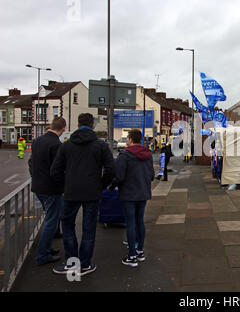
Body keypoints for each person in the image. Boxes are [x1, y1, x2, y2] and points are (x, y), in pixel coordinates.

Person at [50, 113, 115, 276]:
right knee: (88, 228)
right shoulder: (100, 146)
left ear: (78, 125)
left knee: (68, 226)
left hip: (71, 192)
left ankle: (72, 263)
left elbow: (55, 171)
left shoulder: (66, 145)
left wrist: (64, 186)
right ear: (92, 125)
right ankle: (85, 264)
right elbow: (111, 169)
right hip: (92, 192)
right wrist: (101, 184)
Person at [110, 129, 154, 267]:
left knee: (130, 223)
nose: (127, 140)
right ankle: (140, 251)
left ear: (130, 139)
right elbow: (151, 175)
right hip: (143, 192)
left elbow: (120, 176)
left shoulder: (125, 155)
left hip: (129, 193)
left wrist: (111, 186)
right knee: (140, 221)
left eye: (127, 138)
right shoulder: (148, 154)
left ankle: (132, 255)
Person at [28, 117, 67, 265]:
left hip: (38, 186)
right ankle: (43, 254)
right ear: (63, 129)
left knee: (50, 218)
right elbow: (57, 169)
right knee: (51, 220)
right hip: (51, 188)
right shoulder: (56, 144)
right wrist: (62, 185)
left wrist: (35, 177)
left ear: (51, 125)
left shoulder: (37, 141)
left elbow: (31, 162)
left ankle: (47, 247)